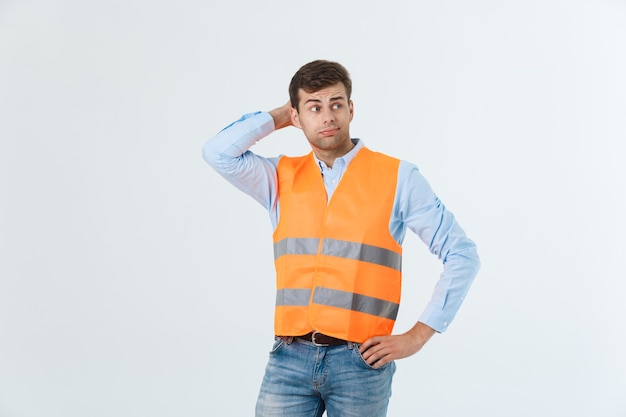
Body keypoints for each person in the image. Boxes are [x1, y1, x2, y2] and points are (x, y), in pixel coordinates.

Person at [202, 59, 480, 417]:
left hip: (360, 363)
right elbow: (217, 152)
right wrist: (278, 116)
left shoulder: (399, 177)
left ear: (351, 109)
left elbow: (462, 254)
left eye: (336, 104)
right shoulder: (278, 177)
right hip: (288, 360)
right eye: (314, 108)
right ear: (297, 117)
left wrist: (419, 335)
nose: (328, 116)